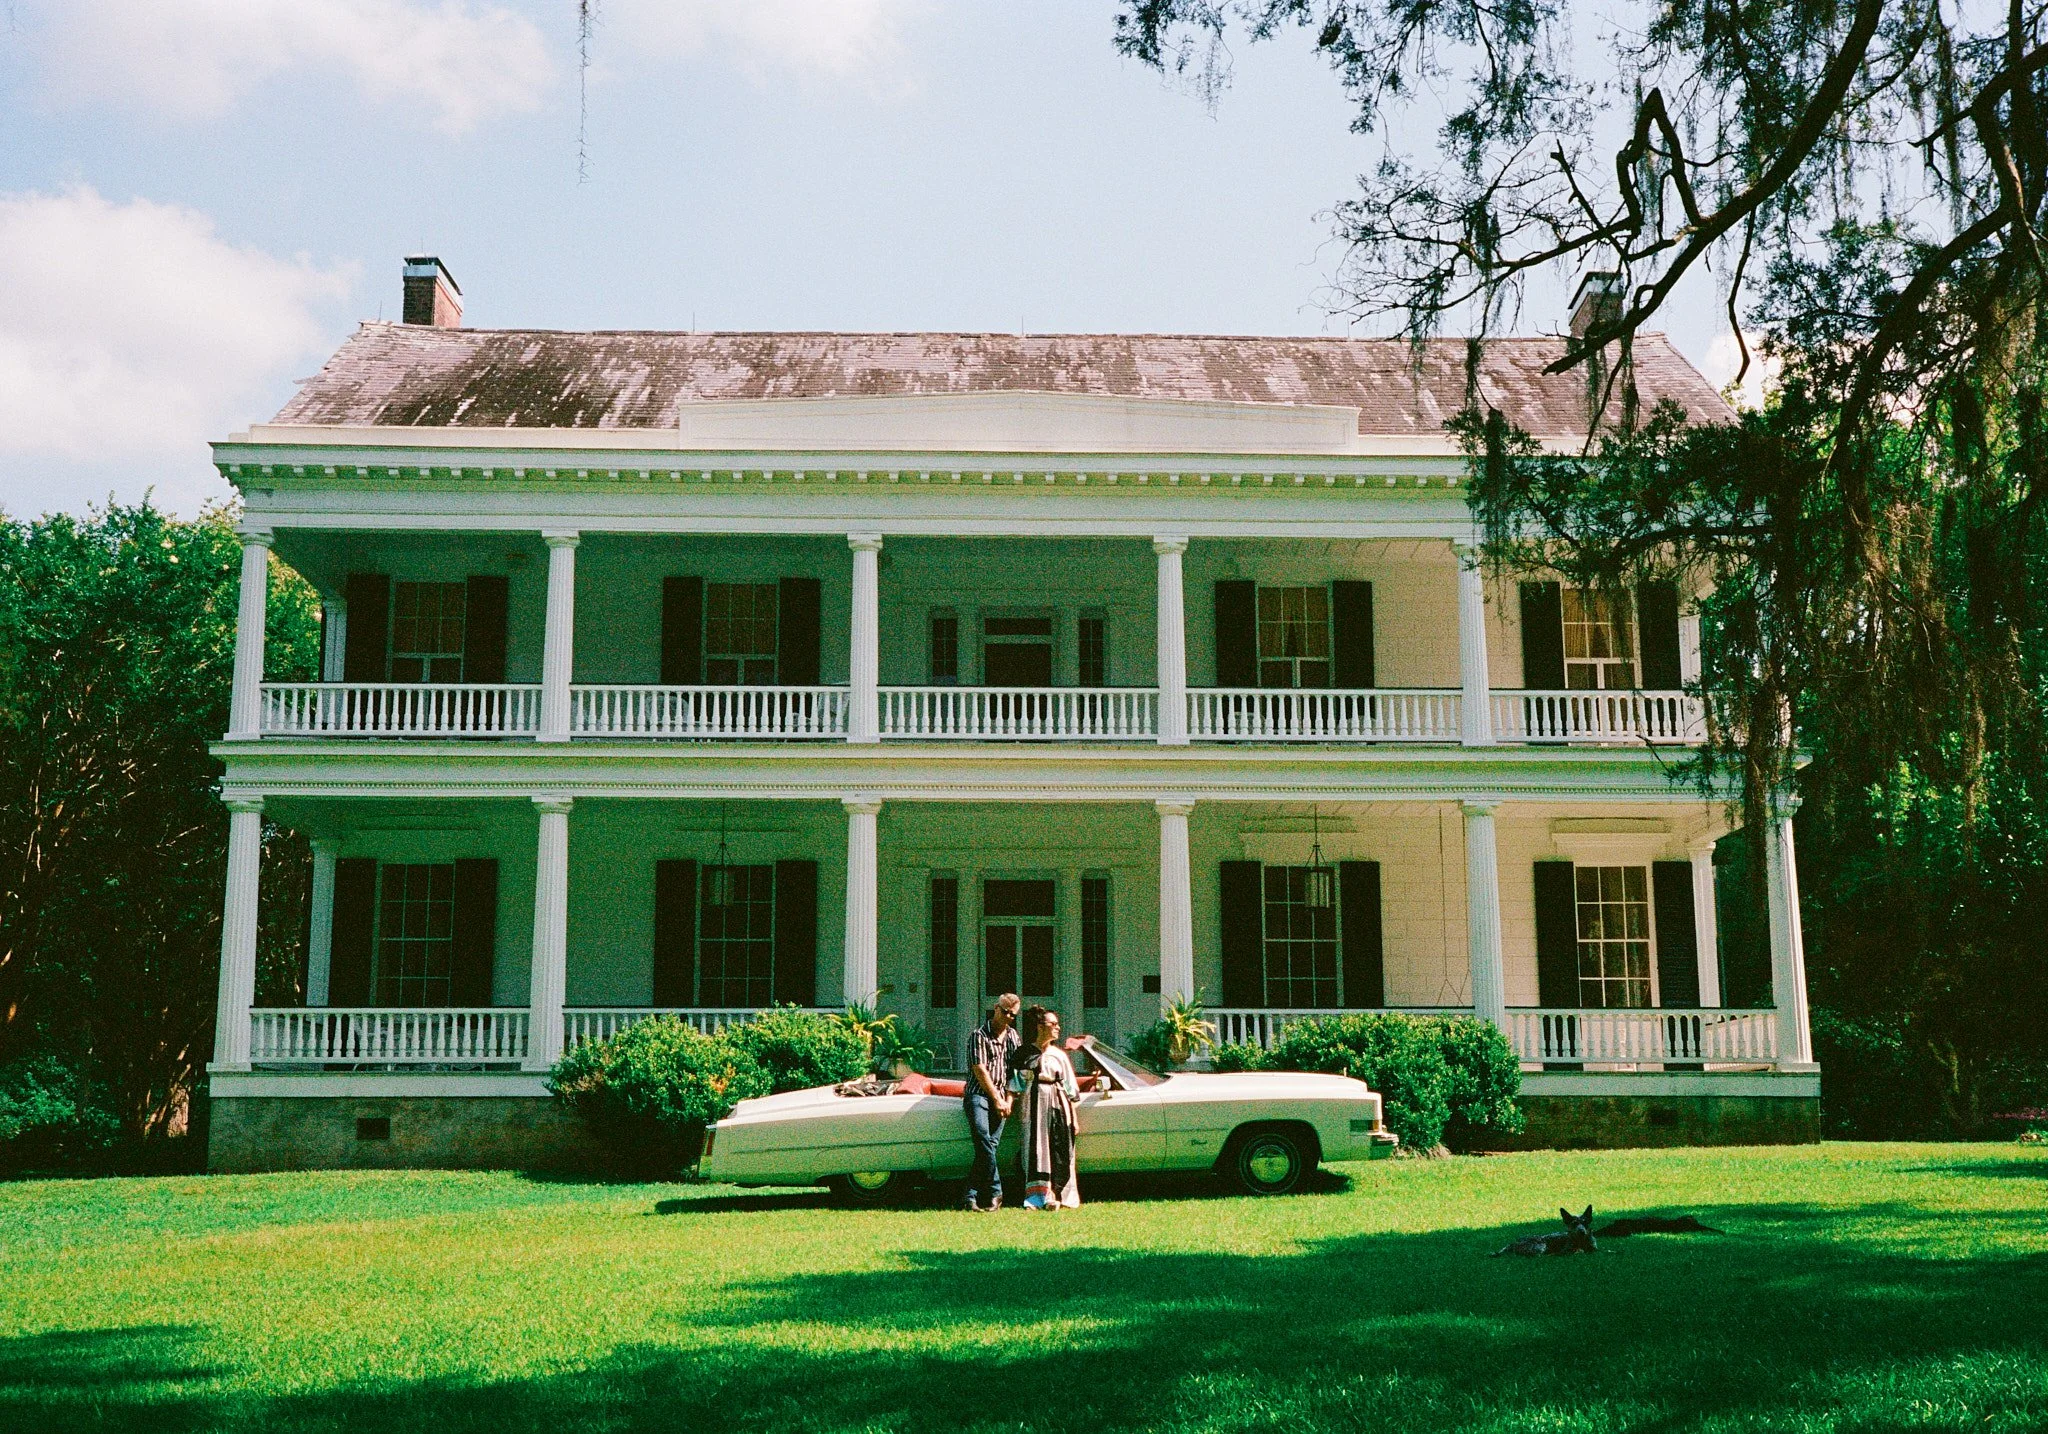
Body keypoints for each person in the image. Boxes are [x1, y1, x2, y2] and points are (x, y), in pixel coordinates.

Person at [1007, 1006, 1080, 1210]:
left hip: (1058, 1104)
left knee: (1059, 1147)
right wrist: (1007, 1103)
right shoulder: (1024, 1054)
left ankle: (1058, 1195)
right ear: (1040, 1027)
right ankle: (1037, 1196)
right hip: (1033, 1105)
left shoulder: (1059, 1055)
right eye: (1053, 1024)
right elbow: (1014, 1084)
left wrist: (1074, 1118)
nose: (1058, 1027)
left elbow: (1070, 1087)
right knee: (1036, 1148)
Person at [962, 993, 1021, 1212]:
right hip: (978, 1095)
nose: (1008, 1017)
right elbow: (980, 1070)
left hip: (1002, 1099)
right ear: (996, 1008)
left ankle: (970, 1196)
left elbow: (1016, 1072)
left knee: (988, 1147)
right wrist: (997, 1099)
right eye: (1005, 1012)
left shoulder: (1013, 1037)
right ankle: (997, 1192)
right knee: (983, 1139)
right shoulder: (979, 1035)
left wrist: (1009, 1101)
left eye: (1013, 1015)